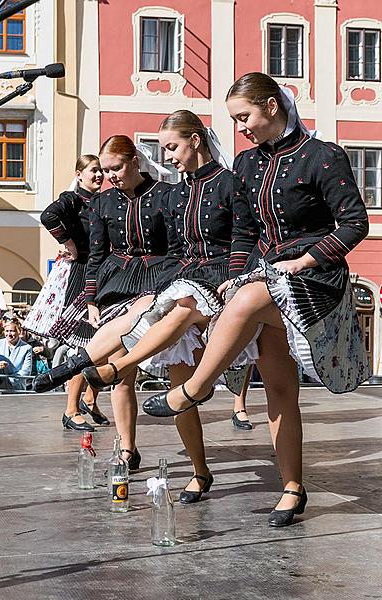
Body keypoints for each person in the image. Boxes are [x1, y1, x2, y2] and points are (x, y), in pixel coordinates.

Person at [141, 72, 370, 525]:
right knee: (280, 389)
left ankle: (193, 389)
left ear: (271, 106)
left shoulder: (323, 156)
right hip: (266, 275)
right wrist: (234, 276)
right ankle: (292, 488)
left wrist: (305, 261)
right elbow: (245, 231)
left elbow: (354, 223)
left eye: (244, 117)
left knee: (245, 302)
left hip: (315, 279)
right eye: (234, 120)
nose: (240, 128)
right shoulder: (247, 164)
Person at [79, 110, 254, 500]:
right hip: (183, 285)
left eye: (172, 147)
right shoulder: (175, 192)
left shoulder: (229, 182)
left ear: (196, 139)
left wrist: (235, 277)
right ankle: (200, 470)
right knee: (179, 384)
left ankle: (116, 365)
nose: (168, 156)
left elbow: (244, 234)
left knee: (181, 307)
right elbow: (173, 250)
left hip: (222, 283)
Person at [34, 135, 171, 469]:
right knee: (122, 374)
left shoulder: (167, 195)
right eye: (102, 170)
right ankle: (126, 447)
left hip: (156, 282)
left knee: (124, 366)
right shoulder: (100, 203)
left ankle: (78, 369)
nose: (108, 175)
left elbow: (176, 245)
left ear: (135, 160)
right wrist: (92, 299)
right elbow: (95, 255)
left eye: (114, 168)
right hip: (114, 287)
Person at [24, 155, 108, 431]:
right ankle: (71, 409)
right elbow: (48, 215)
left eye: (101, 171)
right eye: (94, 171)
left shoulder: (99, 201)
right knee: (86, 344)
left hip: (101, 272)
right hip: (83, 273)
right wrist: (68, 242)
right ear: (79, 174)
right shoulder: (73, 199)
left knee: (105, 341)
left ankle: (90, 399)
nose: (99, 175)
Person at [0, 319, 32, 390]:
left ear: (18, 331)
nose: (9, 334)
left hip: (16, 390)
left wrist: (8, 381)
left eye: (12, 331)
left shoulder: (26, 348)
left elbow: (26, 371)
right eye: (7, 331)